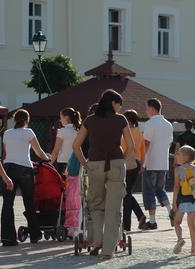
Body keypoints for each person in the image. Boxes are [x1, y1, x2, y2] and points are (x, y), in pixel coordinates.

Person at [73, 90, 134, 260]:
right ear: (113, 103)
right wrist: (124, 160)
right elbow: (131, 145)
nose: (120, 107)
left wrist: (85, 162)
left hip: (95, 164)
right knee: (113, 208)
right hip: (115, 163)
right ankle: (108, 250)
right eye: (119, 103)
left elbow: (76, 145)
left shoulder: (89, 120)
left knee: (96, 205)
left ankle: (97, 240)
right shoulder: (120, 119)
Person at [1, 109, 50, 246]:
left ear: (14, 120)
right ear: (27, 120)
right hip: (24, 169)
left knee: (7, 204)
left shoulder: (7, 133)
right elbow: (38, 151)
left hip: (8, 167)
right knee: (29, 202)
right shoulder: (29, 132)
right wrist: (47, 158)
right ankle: (35, 235)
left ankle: (8, 237)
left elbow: (6, 153)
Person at [142, 98, 174, 230]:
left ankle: (152, 221)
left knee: (149, 191)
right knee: (160, 189)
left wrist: (143, 161)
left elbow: (146, 143)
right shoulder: (168, 124)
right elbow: (170, 143)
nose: (146, 111)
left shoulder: (150, 123)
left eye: (147, 108)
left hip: (151, 162)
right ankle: (170, 210)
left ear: (152, 109)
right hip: (163, 162)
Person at [172, 145, 195, 256]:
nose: (176, 156)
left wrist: (174, 203)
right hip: (193, 201)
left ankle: (180, 239)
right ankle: (194, 248)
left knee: (176, 222)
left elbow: (176, 187)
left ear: (185, 157)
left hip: (182, 201)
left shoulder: (178, 170)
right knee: (192, 225)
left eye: (179, 154)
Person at [121, 110, 147, 231]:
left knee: (125, 194)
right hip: (136, 163)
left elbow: (122, 149)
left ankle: (127, 224)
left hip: (126, 162)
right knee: (128, 192)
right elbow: (143, 152)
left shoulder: (123, 133)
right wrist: (142, 165)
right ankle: (140, 215)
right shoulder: (139, 133)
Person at [50, 107, 82, 178]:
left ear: (66, 117)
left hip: (63, 164)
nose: (60, 120)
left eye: (61, 117)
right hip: (76, 163)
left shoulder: (62, 131)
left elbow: (56, 150)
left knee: (64, 187)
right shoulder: (78, 132)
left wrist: (49, 164)